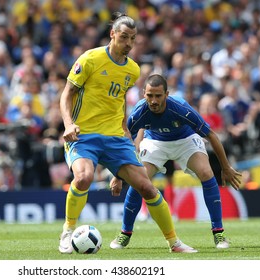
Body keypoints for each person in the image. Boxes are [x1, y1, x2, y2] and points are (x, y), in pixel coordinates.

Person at [58, 12, 196, 254]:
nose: (129, 43)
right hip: (84, 135)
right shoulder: (90, 59)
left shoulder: (132, 69)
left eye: (133, 38)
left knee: (147, 186)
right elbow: (67, 94)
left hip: (114, 137)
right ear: (112, 34)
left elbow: (119, 98)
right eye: (124, 37)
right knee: (83, 178)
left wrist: (124, 128)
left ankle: (174, 242)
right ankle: (68, 231)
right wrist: (69, 124)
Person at [109, 73, 242, 250]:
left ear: (167, 94)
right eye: (150, 95)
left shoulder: (181, 108)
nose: (154, 100)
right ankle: (125, 234)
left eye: (158, 95)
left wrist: (226, 167)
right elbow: (122, 141)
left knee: (206, 173)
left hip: (185, 140)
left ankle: (219, 233)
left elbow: (211, 135)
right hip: (155, 142)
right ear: (143, 94)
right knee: (138, 180)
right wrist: (118, 175)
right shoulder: (139, 112)